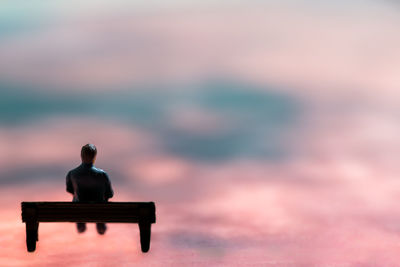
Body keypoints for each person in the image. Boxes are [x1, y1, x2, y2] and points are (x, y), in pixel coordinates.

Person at [66, 144, 114, 235]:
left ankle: (80, 223)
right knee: (102, 200)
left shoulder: (72, 174)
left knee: (77, 198)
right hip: (99, 210)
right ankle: (100, 223)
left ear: (81, 156)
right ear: (94, 157)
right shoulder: (102, 174)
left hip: (79, 209)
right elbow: (110, 194)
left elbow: (70, 190)